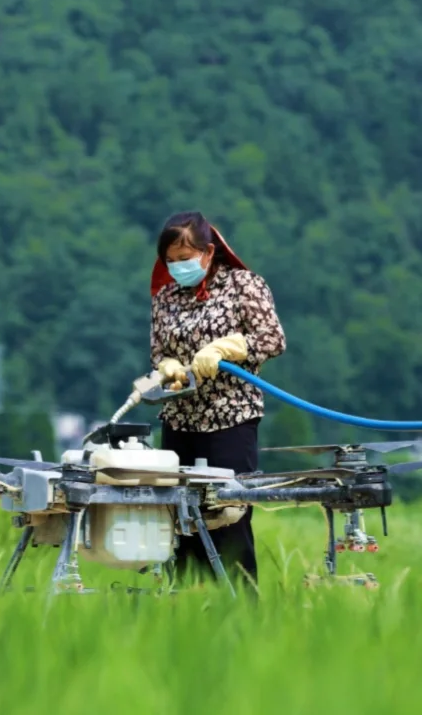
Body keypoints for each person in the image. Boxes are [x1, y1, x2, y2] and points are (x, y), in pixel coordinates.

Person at [149, 211, 286, 591]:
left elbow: (273, 339)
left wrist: (232, 347)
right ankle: (187, 611)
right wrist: (168, 366)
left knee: (227, 517)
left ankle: (241, 611)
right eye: (171, 261)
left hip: (230, 419)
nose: (178, 267)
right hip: (179, 421)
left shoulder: (243, 285)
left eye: (186, 258)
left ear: (208, 252)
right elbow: (158, 351)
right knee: (180, 521)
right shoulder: (166, 297)